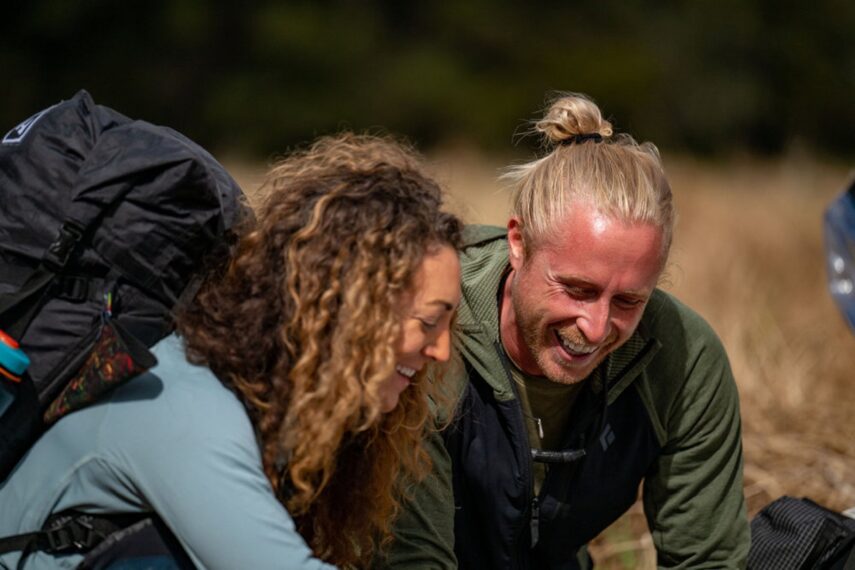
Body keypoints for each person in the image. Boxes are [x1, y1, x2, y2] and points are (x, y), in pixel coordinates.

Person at [0, 134, 463, 569]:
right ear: (351, 310)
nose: (442, 349)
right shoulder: (183, 409)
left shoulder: (267, 412)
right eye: (428, 322)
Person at [381, 93, 750, 569]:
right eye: (576, 289)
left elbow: (708, 560)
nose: (596, 329)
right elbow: (410, 560)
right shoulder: (429, 329)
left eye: (628, 301)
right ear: (518, 242)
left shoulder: (684, 359)